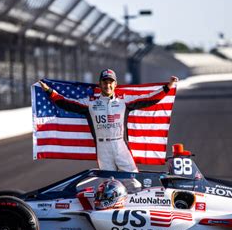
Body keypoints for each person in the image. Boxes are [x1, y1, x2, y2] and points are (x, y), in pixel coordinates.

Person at [39, 69, 178, 172]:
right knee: (108, 183)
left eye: (110, 82)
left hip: (120, 145)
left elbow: (148, 99)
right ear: (100, 84)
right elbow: (66, 103)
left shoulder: (124, 101)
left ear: (115, 84)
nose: (108, 85)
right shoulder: (90, 104)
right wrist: (50, 91)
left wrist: (167, 87)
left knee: (133, 181)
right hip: (102, 148)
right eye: (105, 82)